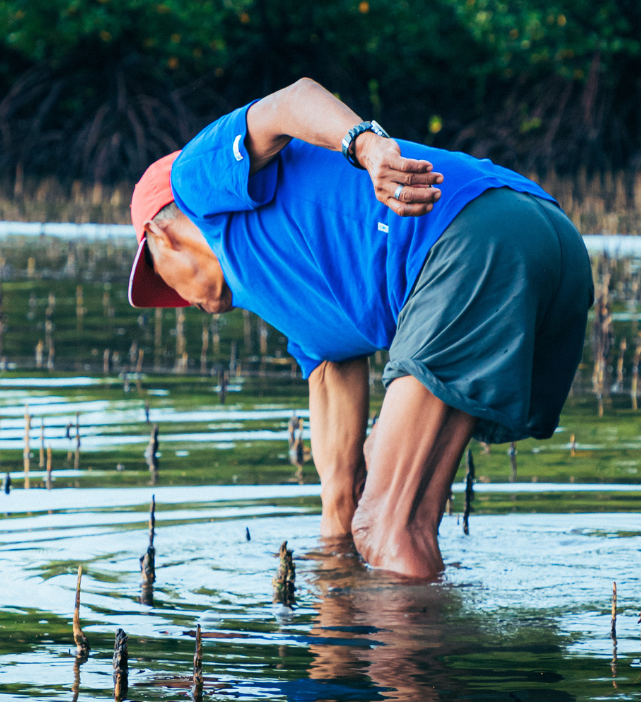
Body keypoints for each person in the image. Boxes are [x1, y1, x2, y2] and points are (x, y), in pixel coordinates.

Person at [127, 78, 592, 579]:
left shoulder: (195, 182)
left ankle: (410, 655)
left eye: (160, 280)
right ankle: (433, 644)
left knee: (385, 529)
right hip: (547, 237)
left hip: (473, 239)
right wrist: (332, 567)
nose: (179, 304)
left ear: (160, 233)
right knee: (390, 511)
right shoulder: (301, 308)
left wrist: (365, 146)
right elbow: (340, 480)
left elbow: (290, 101)